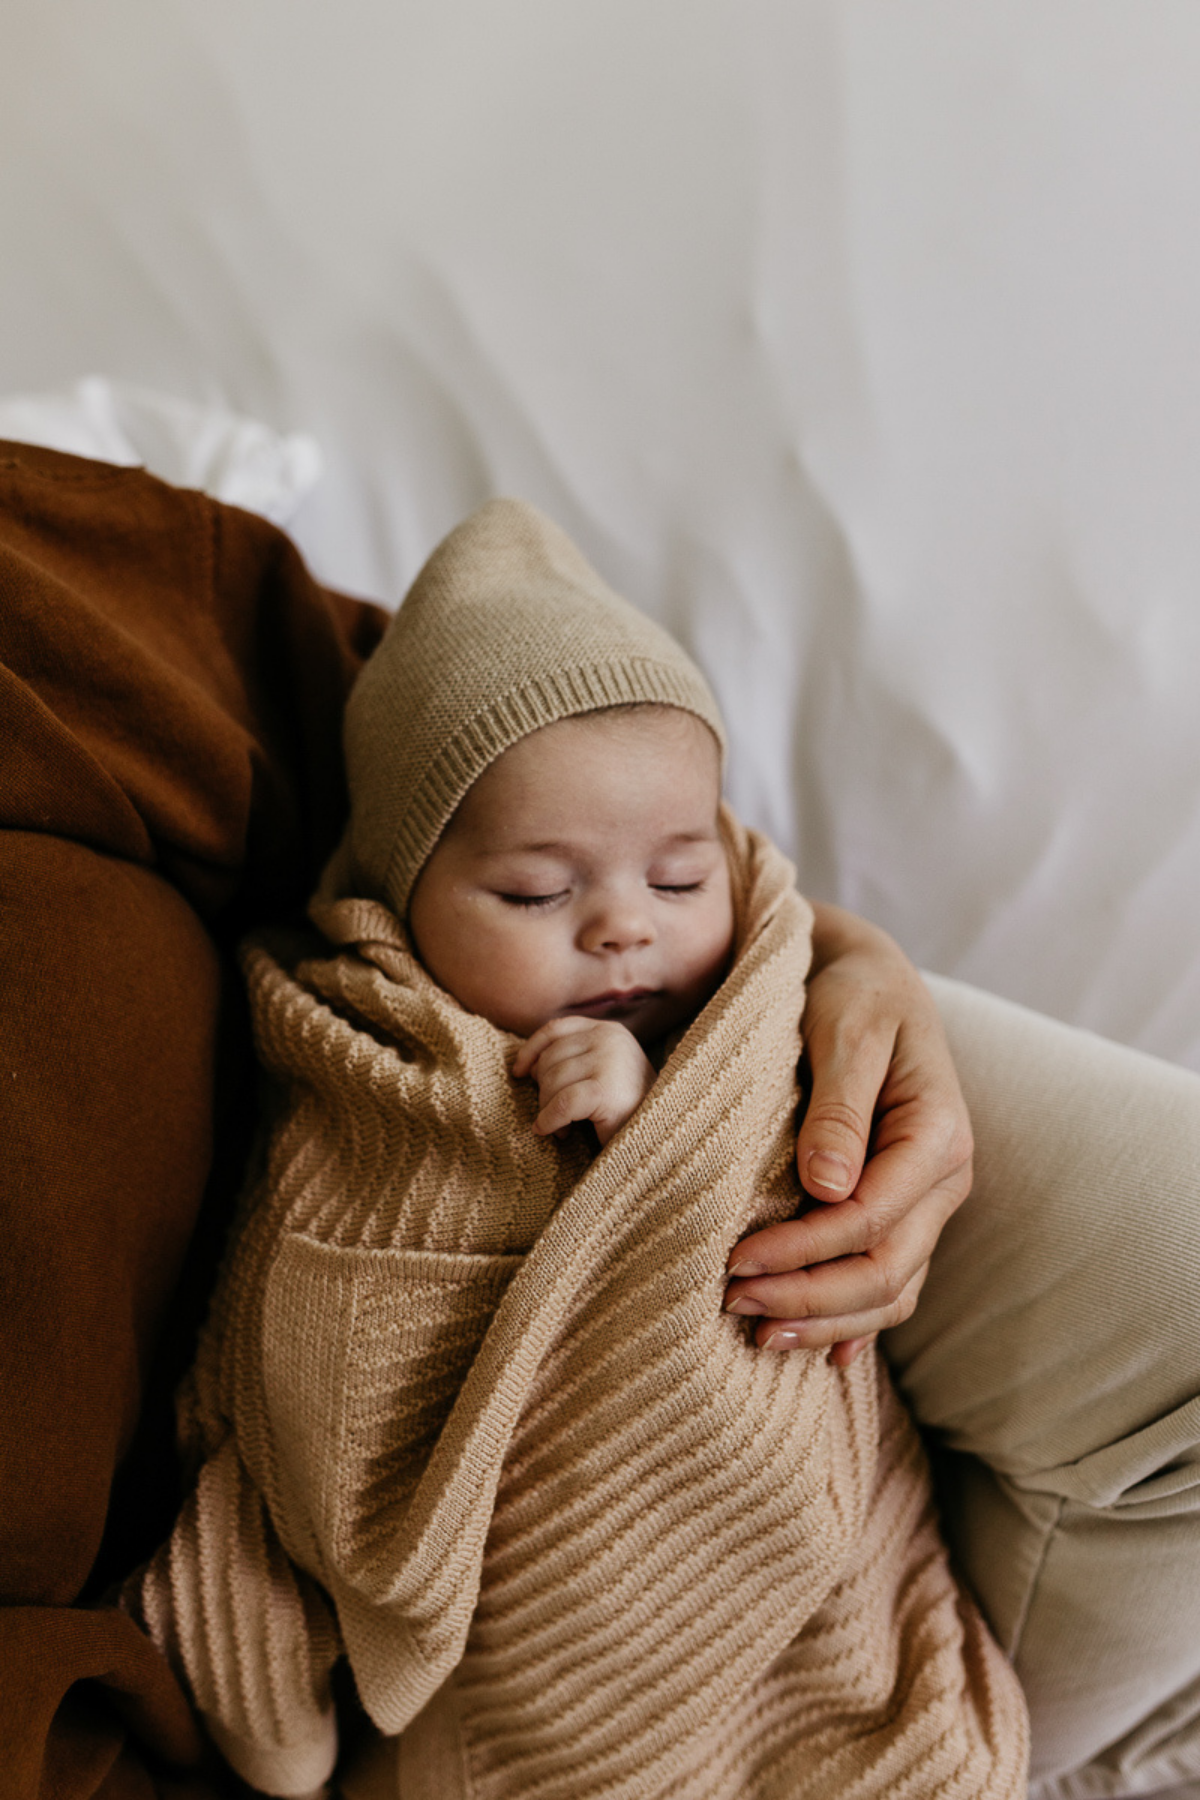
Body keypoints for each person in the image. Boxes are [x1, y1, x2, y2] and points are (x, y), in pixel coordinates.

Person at [123, 497, 1028, 1799]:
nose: (624, 931)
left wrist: (665, 1118)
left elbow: (779, 1207)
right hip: (538, 1662)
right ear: (399, 894)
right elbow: (309, 1364)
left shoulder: (754, 1000)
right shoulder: (362, 1089)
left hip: (797, 1579)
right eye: (540, 893)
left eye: (677, 877)